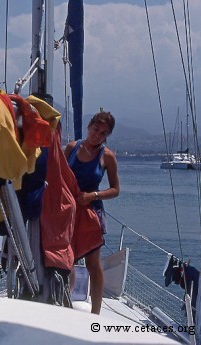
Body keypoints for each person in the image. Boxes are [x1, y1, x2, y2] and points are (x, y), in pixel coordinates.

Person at [64, 111, 119, 314]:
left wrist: (92, 195)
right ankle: (63, 304)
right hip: (68, 213)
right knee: (65, 261)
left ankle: (95, 314)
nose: (98, 135)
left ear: (107, 136)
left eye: (103, 133)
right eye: (96, 129)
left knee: (93, 265)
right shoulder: (71, 148)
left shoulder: (107, 157)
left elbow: (115, 190)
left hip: (91, 216)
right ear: (89, 127)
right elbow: (57, 174)